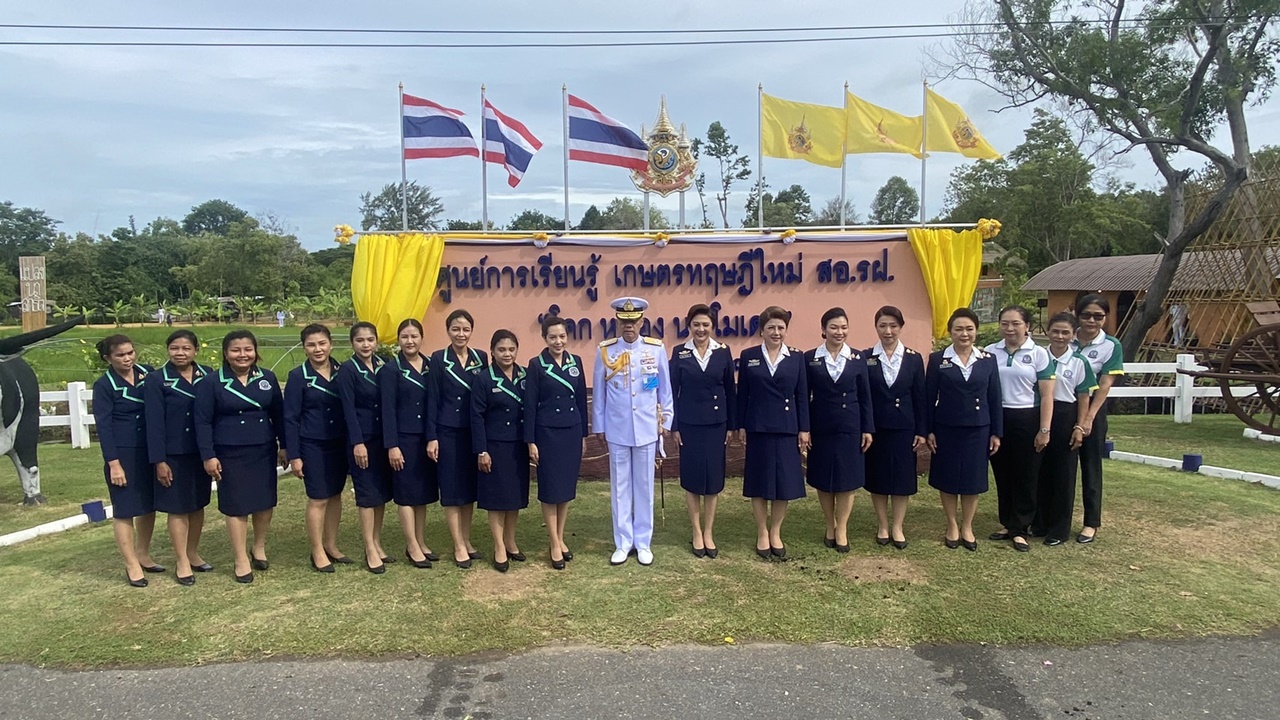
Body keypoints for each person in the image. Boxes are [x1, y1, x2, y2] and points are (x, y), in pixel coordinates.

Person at [194, 330, 285, 583]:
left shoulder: (267, 377)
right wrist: (208, 455)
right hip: (229, 451)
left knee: (265, 502)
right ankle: (240, 558)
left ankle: (258, 547)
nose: (242, 355)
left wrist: (285, 445)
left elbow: (278, 414)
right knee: (236, 505)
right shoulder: (211, 382)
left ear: (255, 352)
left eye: (248, 349)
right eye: (236, 350)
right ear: (226, 353)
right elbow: (202, 422)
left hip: (262, 448)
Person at [593, 297, 673, 567]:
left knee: (644, 486)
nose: (629, 326)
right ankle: (623, 542)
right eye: (624, 321)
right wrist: (600, 426)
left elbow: (665, 389)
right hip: (617, 428)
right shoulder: (605, 351)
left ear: (642, 322)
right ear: (617, 321)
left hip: (647, 428)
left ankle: (643, 542)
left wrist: (666, 422)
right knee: (620, 487)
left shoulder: (656, 349)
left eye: (634, 321)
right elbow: (600, 392)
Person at [736, 306, 810, 560]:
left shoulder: (796, 357)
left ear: (786, 331)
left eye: (780, 328)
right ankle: (761, 532)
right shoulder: (749, 356)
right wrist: (742, 425)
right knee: (759, 483)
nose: (776, 332)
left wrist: (804, 429)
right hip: (758, 428)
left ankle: (776, 531)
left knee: (784, 484)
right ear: (762, 331)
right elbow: (742, 393)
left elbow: (802, 395)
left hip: (787, 429)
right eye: (771, 328)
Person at [925, 308, 1003, 551]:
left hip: (978, 429)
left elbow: (994, 397)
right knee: (948, 479)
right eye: (958, 329)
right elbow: (928, 398)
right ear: (950, 332)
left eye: (969, 329)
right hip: (946, 428)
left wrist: (996, 432)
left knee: (972, 480)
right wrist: (928, 430)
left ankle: (967, 526)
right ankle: (951, 525)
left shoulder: (988, 360)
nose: (964, 333)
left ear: (976, 332)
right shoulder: (938, 359)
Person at [143, 329, 215, 585]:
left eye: (186, 348)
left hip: (202, 451)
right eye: (175, 348)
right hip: (173, 454)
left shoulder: (208, 375)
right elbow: (154, 423)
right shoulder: (156, 379)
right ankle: (181, 560)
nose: (180, 353)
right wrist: (159, 460)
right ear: (168, 351)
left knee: (197, 504)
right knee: (178, 508)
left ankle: (193, 552)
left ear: (196, 350)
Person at [985, 305, 1055, 553]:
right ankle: (1007, 522)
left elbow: (1047, 395)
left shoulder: (1038, 354)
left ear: (1027, 325)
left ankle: (1021, 527)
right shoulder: (991, 352)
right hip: (998, 417)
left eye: (1016, 323)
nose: (1010, 328)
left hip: (1027, 417)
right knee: (1002, 472)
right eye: (1005, 323)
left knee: (1026, 474)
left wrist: (1044, 429)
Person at [669, 303, 736, 559]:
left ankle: (709, 532)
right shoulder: (680, 352)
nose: (701, 329)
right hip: (689, 425)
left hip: (717, 424)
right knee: (694, 479)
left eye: (705, 324)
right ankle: (696, 531)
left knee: (713, 481)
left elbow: (730, 390)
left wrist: (731, 424)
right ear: (689, 326)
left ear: (712, 326)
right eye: (696, 324)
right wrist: (673, 425)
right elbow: (672, 392)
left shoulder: (723, 352)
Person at [804, 307, 873, 553]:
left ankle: (842, 528)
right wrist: (805, 428)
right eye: (834, 327)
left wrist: (867, 428)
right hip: (821, 426)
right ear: (823, 330)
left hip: (849, 426)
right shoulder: (810, 358)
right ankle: (829, 525)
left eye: (844, 327)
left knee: (846, 480)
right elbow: (804, 396)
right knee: (824, 479)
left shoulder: (857, 358)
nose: (839, 332)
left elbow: (865, 396)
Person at [93, 334, 159, 588]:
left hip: (150, 449)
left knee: (149, 505)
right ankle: (131, 563)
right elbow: (104, 427)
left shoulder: (149, 374)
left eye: (130, 352)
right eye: (120, 355)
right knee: (125, 509)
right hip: (123, 452)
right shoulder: (105, 385)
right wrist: (114, 463)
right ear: (108, 358)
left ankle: (143, 553)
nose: (127, 358)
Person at [284, 324, 350, 573]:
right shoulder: (297, 376)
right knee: (318, 497)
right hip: (312, 444)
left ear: (330, 344)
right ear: (304, 348)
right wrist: (294, 455)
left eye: (322, 343)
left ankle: (331, 545)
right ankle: (317, 550)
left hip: (339, 442)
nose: (317, 349)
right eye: (311, 345)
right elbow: (290, 418)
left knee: (335, 495)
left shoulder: (343, 371)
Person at [524, 315, 588, 570]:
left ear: (567, 337)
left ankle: (561, 537)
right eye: (553, 337)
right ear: (544, 338)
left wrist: (584, 434)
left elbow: (581, 401)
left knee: (565, 491)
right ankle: (553, 542)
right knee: (550, 491)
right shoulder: (537, 365)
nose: (558, 341)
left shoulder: (576, 362)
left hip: (571, 433)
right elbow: (529, 406)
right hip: (547, 434)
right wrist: (531, 441)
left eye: (562, 336)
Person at [429, 309, 488, 569]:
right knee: (452, 489)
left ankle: (467, 538)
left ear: (471, 331)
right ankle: (457, 544)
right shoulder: (439, 359)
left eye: (465, 329)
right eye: (455, 329)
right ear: (448, 331)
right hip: (448, 432)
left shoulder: (481, 357)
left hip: (473, 432)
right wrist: (432, 437)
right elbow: (432, 400)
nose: (460, 334)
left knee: (469, 489)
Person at [864, 306, 927, 550]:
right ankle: (882, 525)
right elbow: (865, 396)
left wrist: (921, 430)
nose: (888, 331)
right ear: (876, 328)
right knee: (878, 477)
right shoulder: (866, 357)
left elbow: (920, 397)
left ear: (900, 327)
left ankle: (898, 526)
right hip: (877, 429)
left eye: (893, 326)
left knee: (902, 479)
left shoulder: (913, 358)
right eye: (882, 325)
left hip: (905, 429)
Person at [337, 321, 395, 574]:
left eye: (370, 340)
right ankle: (369, 547)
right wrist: (357, 442)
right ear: (353, 343)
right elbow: (348, 409)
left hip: (382, 438)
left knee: (381, 494)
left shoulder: (383, 366)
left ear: (377, 342)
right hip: (362, 440)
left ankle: (377, 542)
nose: (366, 345)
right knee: (367, 495)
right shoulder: (348, 370)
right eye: (360, 340)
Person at [380, 318, 438, 569]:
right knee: (405, 494)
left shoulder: (430, 366)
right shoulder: (391, 370)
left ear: (421, 338)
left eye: (414, 336)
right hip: (402, 440)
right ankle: (411, 544)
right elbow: (388, 410)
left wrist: (433, 436)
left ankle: (421, 541)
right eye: (404, 336)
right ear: (398, 340)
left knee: (422, 494)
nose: (410, 341)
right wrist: (392, 445)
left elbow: (435, 404)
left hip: (425, 439)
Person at [1035, 312, 1097, 546]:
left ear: (1073, 335)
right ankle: (1039, 522)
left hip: (1065, 416)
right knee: (1040, 471)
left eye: (1065, 332)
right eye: (1055, 331)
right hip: (1041, 415)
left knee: (1063, 474)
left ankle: (1059, 529)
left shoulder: (1079, 362)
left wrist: (1080, 426)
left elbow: (1083, 397)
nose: (1060, 336)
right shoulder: (1039, 356)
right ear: (1048, 332)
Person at [471, 329, 529, 572]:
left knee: (514, 497)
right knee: (496, 500)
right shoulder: (484, 379)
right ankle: (498, 547)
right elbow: (476, 417)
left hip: (518, 446)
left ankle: (511, 541)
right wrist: (481, 450)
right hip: (494, 446)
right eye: (502, 350)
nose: (507, 354)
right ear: (492, 351)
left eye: (511, 349)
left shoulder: (525, 375)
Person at [1072, 294, 1125, 544]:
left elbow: (1105, 384)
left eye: (1098, 316)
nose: (1092, 320)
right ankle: (1052, 517)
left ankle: (1091, 523)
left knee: (1091, 466)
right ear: (1077, 315)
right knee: (1060, 468)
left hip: (1093, 407)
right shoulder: (1064, 338)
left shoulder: (1111, 345)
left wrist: (1089, 418)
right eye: (1086, 315)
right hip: (1064, 406)